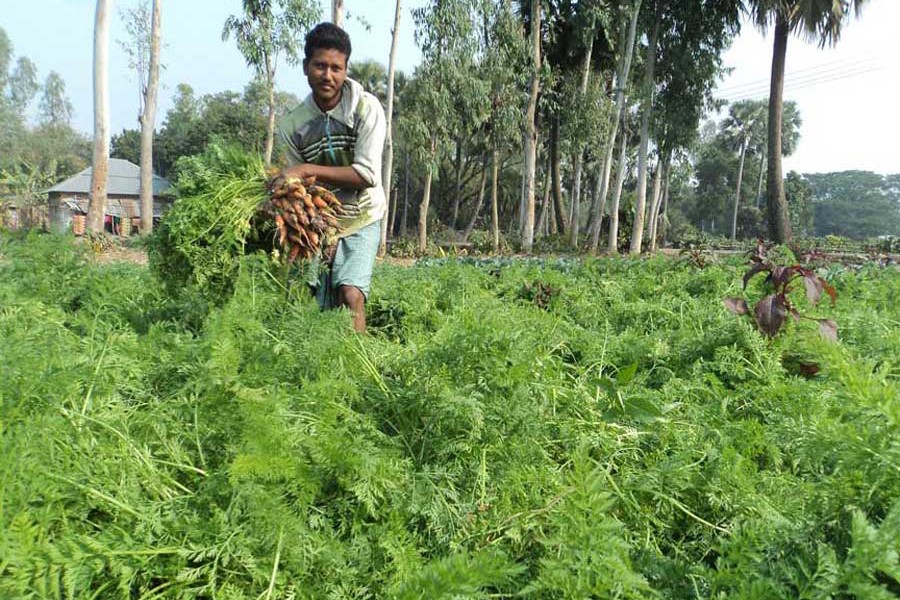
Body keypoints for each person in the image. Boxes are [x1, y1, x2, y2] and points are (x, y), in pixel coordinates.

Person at [276, 22, 387, 333]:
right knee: (309, 296)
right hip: (319, 219)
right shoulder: (293, 124)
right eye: (320, 65)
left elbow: (366, 175)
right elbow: (297, 188)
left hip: (362, 214)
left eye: (336, 68)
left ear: (345, 69)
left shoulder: (366, 109)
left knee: (350, 294)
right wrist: (318, 229)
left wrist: (309, 169)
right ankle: (320, 364)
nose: (328, 75)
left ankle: (360, 367)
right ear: (305, 67)